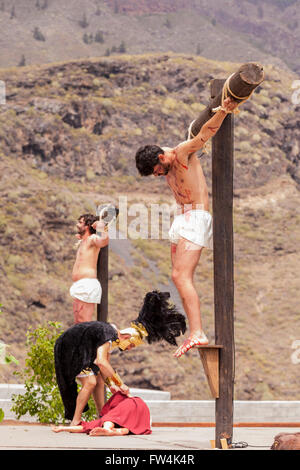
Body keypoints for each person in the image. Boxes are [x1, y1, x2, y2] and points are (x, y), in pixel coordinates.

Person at [135, 97, 239, 358]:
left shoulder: (181, 153)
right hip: (180, 218)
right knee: (176, 276)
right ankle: (189, 327)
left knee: (182, 276)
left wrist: (224, 110)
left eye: (157, 170)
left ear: (161, 157)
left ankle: (198, 332)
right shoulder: (164, 162)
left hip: (195, 216)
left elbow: (203, 135)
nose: (159, 175)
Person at [54, 290, 186, 426]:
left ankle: (102, 415)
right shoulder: (109, 333)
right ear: (127, 337)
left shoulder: (110, 341)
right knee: (90, 382)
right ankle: (75, 420)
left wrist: (111, 385)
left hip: (79, 347)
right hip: (71, 347)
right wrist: (121, 384)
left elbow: (104, 370)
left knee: (98, 380)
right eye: (132, 345)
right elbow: (101, 361)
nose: (129, 349)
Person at [52, 391, 151, 436]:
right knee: (123, 427)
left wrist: (63, 428)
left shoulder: (118, 408)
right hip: (142, 421)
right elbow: (85, 427)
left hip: (136, 406)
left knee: (109, 419)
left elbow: (85, 427)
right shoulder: (122, 408)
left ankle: (109, 429)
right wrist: (63, 428)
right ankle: (113, 430)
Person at [70, 213, 108, 323]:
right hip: (79, 285)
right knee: (78, 321)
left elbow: (103, 241)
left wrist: (102, 228)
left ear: (88, 226)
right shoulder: (84, 241)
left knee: (84, 321)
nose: (77, 225)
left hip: (87, 285)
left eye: (80, 222)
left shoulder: (93, 238)